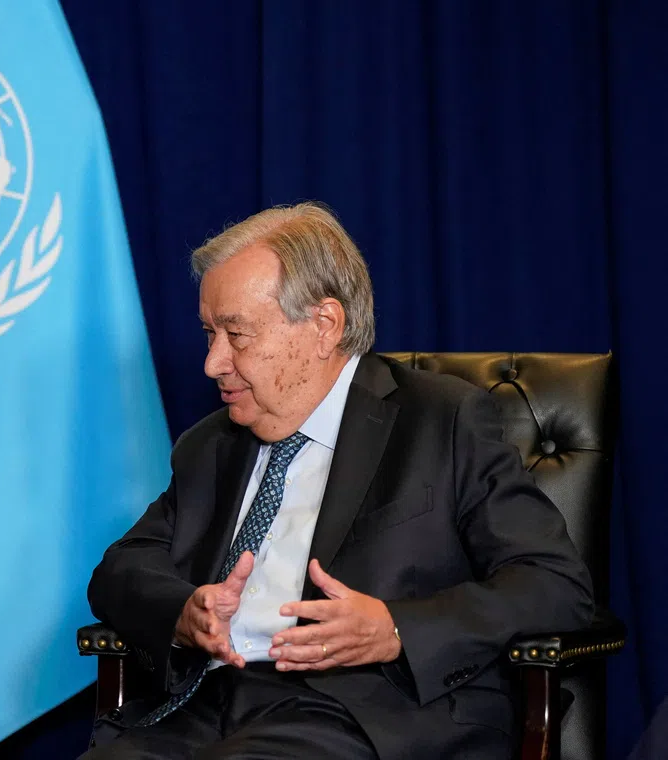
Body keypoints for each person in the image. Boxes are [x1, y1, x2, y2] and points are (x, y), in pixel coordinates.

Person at [82, 203, 594, 760]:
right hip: (202, 707)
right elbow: (121, 570)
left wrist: (396, 627)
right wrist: (184, 613)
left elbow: (553, 585)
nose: (213, 363)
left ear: (324, 325)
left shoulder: (441, 421)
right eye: (210, 334)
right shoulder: (211, 445)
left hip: (362, 713)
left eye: (237, 334)